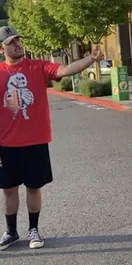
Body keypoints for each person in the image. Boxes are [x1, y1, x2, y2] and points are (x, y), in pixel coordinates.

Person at [0, 26, 103, 250]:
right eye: (11, 42)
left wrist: (89, 58)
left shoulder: (37, 66)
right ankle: (11, 231)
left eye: (18, 40)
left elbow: (65, 70)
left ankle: (33, 229)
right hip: (6, 144)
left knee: (34, 187)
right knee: (8, 189)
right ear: (2, 48)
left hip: (35, 141)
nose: (17, 44)